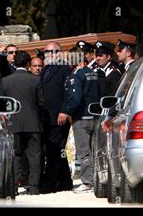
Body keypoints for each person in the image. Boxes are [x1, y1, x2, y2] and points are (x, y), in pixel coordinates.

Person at [0, 51, 43, 195]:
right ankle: (34, 187)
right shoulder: (36, 80)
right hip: (33, 124)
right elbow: (42, 103)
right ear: (28, 64)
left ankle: (14, 187)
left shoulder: (6, 81)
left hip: (14, 124)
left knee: (15, 156)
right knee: (35, 156)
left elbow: (2, 104)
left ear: (14, 63)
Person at [62, 47, 100, 193]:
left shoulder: (75, 75)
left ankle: (88, 183)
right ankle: (96, 180)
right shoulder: (94, 73)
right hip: (94, 116)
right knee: (94, 150)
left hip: (81, 118)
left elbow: (75, 99)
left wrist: (68, 112)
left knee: (83, 152)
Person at [40, 42, 73, 192]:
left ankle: (49, 183)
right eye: (47, 52)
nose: (50, 54)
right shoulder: (46, 69)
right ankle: (65, 181)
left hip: (59, 115)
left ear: (60, 53)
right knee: (56, 149)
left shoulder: (65, 68)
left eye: (54, 51)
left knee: (54, 150)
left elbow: (69, 92)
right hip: (47, 117)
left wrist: (64, 111)